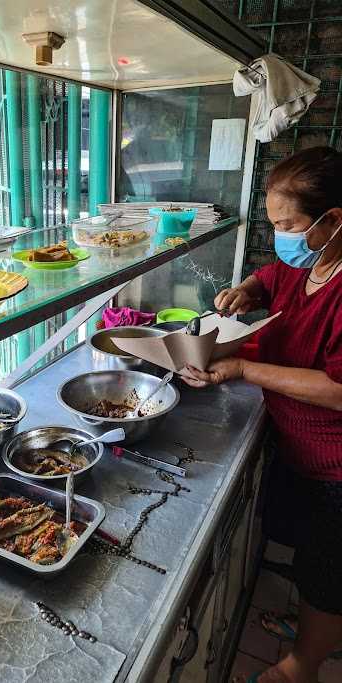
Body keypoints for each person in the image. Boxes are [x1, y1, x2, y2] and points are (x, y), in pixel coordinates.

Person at [182, 146, 342, 683]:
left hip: (337, 465)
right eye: (274, 224)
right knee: (309, 554)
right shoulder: (313, 261)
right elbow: (274, 274)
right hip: (298, 443)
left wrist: (245, 372)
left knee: (329, 574)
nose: (282, 237)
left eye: (289, 224)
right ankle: (311, 629)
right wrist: (246, 290)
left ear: (333, 220)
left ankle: (305, 664)